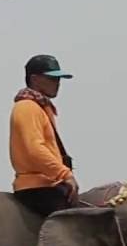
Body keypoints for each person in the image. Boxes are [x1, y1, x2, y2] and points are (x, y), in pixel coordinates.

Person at [9, 54, 77, 217]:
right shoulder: (27, 107)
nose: (57, 83)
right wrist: (64, 174)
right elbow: (35, 149)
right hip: (37, 188)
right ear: (35, 79)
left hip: (48, 183)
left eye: (58, 79)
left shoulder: (40, 107)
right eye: (52, 78)